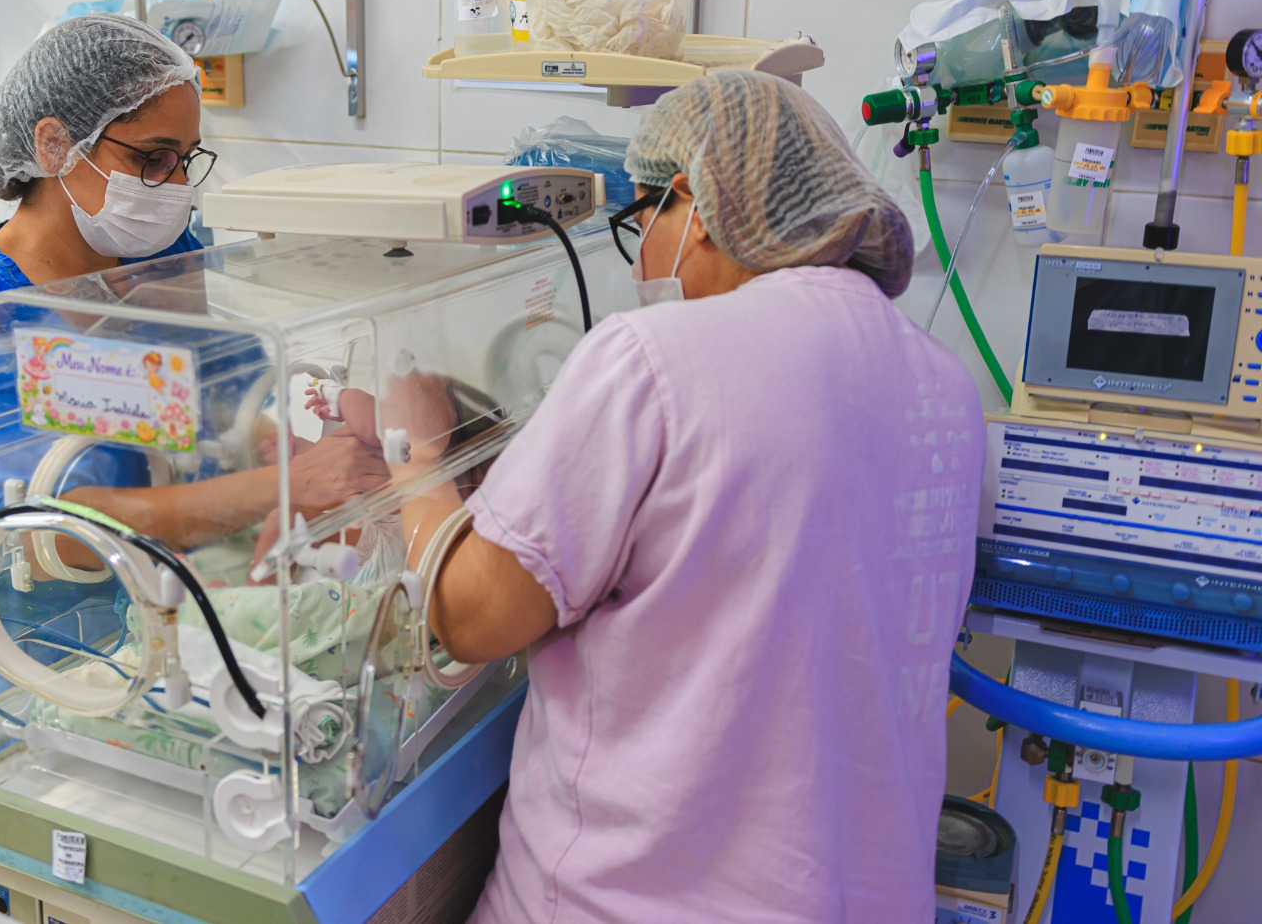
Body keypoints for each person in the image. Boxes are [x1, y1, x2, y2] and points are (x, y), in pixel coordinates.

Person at [386, 71, 985, 922]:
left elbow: (468, 618)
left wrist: (417, 457)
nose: (639, 262)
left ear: (695, 204)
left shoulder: (653, 355)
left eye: (641, 221)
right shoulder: (944, 385)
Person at [0, 14, 388, 550]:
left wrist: (306, 455)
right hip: (34, 601)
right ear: (55, 145)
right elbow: (14, 538)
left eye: (186, 159)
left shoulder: (164, 259)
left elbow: (216, 410)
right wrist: (286, 485)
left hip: (177, 580)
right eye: (154, 158)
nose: (179, 184)